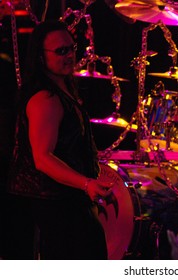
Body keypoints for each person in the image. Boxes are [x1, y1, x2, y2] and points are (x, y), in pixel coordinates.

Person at [6, 20, 113, 260]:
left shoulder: (62, 90)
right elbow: (42, 158)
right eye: (60, 51)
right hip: (54, 207)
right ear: (41, 57)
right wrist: (86, 183)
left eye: (71, 48)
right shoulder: (45, 99)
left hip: (65, 202)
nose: (69, 55)